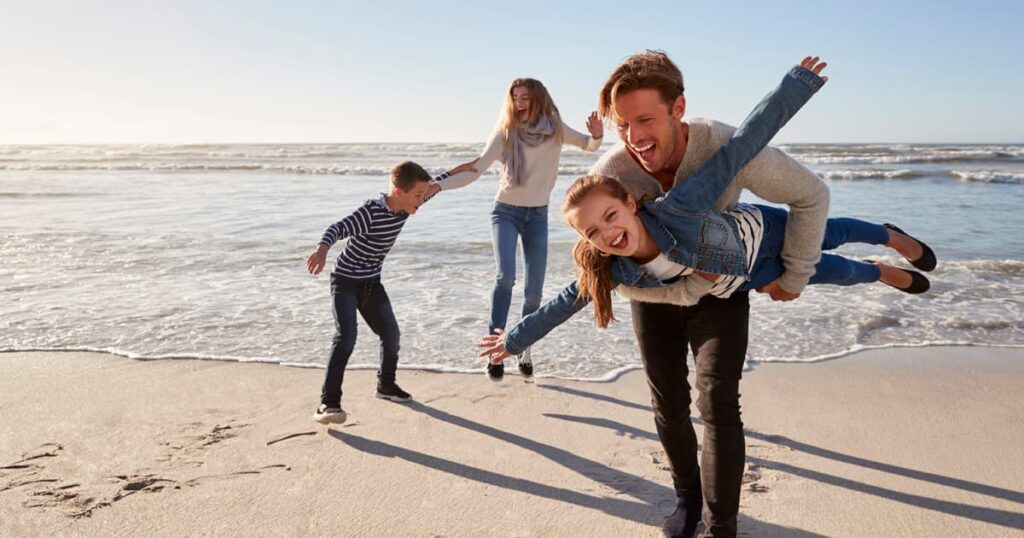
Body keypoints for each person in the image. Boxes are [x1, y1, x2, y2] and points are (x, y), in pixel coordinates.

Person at [490, 55, 928, 538]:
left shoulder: (685, 196)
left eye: (645, 120)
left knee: (825, 249)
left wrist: (797, 85)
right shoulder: (610, 207)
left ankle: (721, 525)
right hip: (667, 301)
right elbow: (565, 300)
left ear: (678, 109)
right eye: (623, 126)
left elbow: (746, 147)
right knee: (668, 405)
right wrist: (512, 341)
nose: (634, 136)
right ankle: (687, 500)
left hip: (751, 254)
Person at [429, 77, 604, 381]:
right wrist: (438, 186)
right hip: (506, 212)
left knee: (534, 293)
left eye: (525, 97)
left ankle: (523, 346)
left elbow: (589, 146)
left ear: (537, 99)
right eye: (515, 97)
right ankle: (495, 350)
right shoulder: (506, 133)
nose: (519, 103)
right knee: (505, 276)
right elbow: (476, 170)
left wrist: (597, 135)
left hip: (537, 216)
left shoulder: (555, 128)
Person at [307, 160, 475, 425]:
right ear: (400, 192)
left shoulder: (408, 204)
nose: (422, 200)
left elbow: (436, 185)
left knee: (391, 334)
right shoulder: (370, 212)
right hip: (345, 283)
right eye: (418, 195)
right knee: (346, 337)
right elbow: (336, 228)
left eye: (423, 195)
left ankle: (386, 386)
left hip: (371, 283)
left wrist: (463, 168)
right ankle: (328, 404)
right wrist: (321, 250)